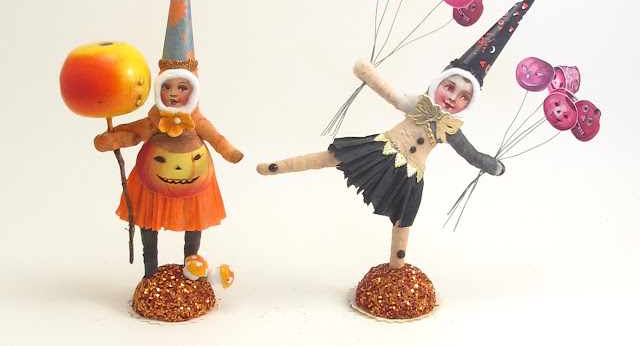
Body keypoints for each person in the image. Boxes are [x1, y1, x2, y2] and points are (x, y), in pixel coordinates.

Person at [257, 59, 503, 269]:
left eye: (464, 97)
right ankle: (277, 166)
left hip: (410, 174)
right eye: (449, 87)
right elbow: (391, 94)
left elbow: (472, 155)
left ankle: (397, 268)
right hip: (383, 150)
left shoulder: (451, 130)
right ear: (438, 83)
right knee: (333, 157)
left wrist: (492, 166)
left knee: (403, 219)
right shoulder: (418, 104)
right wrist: (366, 73)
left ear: (469, 104)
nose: (453, 98)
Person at [95, 68, 243, 278]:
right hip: (152, 183)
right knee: (148, 223)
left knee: (193, 224)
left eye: (182, 87)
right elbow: (132, 133)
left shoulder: (198, 122)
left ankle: (191, 269)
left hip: (194, 183)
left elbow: (217, 140)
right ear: (158, 90)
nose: (173, 93)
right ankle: (150, 272)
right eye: (166, 87)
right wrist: (111, 139)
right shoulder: (154, 121)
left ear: (194, 92)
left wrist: (230, 153)